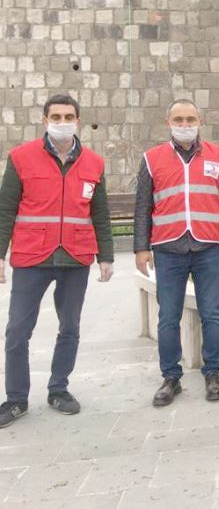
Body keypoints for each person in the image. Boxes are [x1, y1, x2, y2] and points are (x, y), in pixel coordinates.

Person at [0, 94, 114, 427]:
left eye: (68, 116)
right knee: (17, 330)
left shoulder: (94, 163)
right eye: (56, 116)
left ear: (78, 120)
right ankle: (17, 399)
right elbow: (5, 209)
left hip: (76, 257)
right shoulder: (20, 158)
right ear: (45, 119)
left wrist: (105, 256)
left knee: (70, 328)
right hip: (31, 257)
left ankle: (58, 390)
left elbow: (100, 213)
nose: (62, 121)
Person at [134, 99, 219, 407]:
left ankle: (213, 373)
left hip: (208, 247)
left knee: (212, 313)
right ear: (168, 121)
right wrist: (141, 248)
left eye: (190, 119)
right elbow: (143, 206)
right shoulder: (151, 159)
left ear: (200, 120)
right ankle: (171, 377)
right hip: (168, 249)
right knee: (168, 317)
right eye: (178, 119)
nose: (184, 124)